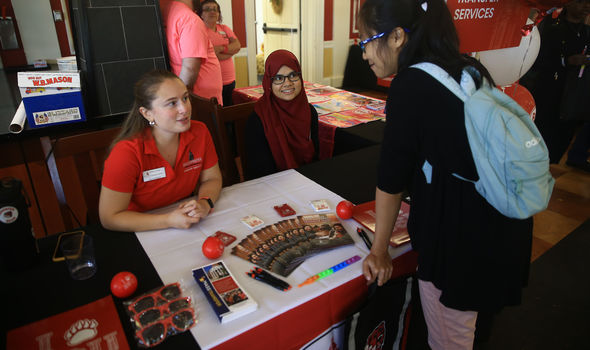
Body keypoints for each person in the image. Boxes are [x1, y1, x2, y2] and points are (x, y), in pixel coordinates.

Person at [357, 1, 533, 349]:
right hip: (505, 227)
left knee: (449, 340)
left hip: (461, 243)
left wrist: (379, 252)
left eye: (365, 41)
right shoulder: (467, 67)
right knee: (475, 331)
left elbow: (391, 179)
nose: (363, 54)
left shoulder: (410, 84)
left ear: (396, 37)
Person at [99, 70, 222, 232]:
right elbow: (109, 218)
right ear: (147, 113)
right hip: (140, 229)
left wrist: (205, 203)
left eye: (185, 98)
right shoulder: (126, 152)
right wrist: (168, 220)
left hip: (182, 223)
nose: (184, 109)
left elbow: (211, 178)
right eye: (172, 103)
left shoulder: (199, 132)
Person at [520, 0, 590, 164]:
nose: (586, 6)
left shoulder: (586, 32)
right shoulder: (552, 27)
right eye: (581, 2)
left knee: (562, 139)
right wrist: (566, 61)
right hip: (549, 93)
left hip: (573, 96)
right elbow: (537, 59)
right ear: (569, 4)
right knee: (540, 138)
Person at [244, 49, 319, 180]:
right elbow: (259, 172)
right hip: (271, 187)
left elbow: (316, 160)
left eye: (293, 75)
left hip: (307, 182)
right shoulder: (258, 120)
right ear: (269, 83)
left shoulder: (310, 112)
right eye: (278, 78)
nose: (288, 83)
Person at [160, 0, 224, 105]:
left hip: (196, 96)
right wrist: (181, 100)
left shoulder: (171, 12)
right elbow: (190, 69)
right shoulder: (189, 19)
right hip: (199, 99)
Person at [196, 0, 241, 106]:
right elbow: (208, 55)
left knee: (229, 111)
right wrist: (229, 51)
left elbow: (237, 46)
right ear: (201, 14)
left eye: (215, 9)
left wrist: (220, 48)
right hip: (211, 83)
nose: (212, 12)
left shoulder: (224, 28)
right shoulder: (199, 30)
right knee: (216, 113)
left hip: (230, 80)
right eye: (207, 9)